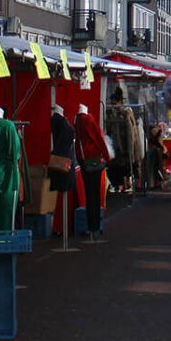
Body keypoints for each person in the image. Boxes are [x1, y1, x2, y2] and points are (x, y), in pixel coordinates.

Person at [75, 103, 111, 242]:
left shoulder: (76, 120)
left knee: (89, 194)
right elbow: (98, 139)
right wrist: (106, 156)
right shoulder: (88, 120)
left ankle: (92, 226)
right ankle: (95, 226)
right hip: (94, 160)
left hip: (84, 162)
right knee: (95, 194)